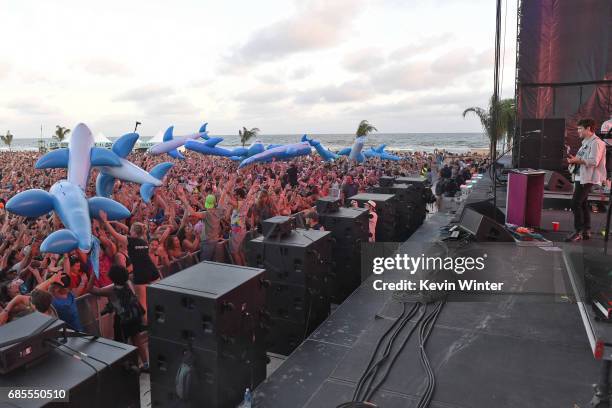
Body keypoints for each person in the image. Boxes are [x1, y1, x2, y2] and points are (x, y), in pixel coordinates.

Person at [87, 265, 149, 372]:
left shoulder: (111, 290)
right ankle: (146, 364)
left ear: (112, 277)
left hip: (122, 320)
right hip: (134, 316)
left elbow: (90, 289)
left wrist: (94, 274)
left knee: (121, 345)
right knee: (137, 339)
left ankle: (127, 368)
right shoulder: (128, 284)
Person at [566, 118, 607, 242]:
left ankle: (578, 231)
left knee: (575, 203)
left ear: (588, 128)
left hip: (588, 178)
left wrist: (576, 160)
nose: (578, 131)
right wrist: (574, 159)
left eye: (580, 129)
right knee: (582, 204)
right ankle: (586, 231)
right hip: (581, 176)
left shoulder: (597, 142)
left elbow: (594, 161)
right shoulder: (586, 142)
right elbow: (582, 158)